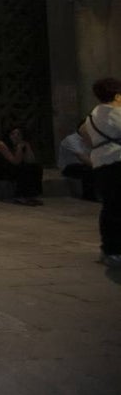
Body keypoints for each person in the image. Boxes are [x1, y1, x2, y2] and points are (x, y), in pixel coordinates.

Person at [80, 77, 121, 268]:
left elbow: (84, 133)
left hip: (102, 163)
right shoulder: (115, 113)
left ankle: (109, 249)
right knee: (114, 208)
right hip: (116, 161)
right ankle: (112, 249)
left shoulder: (93, 115)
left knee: (111, 207)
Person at [0, 125, 44, 206]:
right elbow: (15, 161)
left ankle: (32, 195)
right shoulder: (1, 144)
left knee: (36, 168)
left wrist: (27, 146)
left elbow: (31, 160)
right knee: (22, 168)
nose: (15, 136)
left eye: (18, 134)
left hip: (10, 166)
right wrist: (19, 148)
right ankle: (20, 196)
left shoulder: (20, 144)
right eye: (13, 134)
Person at [57, 130, 96, 201]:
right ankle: (89, 197)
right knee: (89, 171)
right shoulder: (71, 139)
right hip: (68, 167)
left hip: (83, 165)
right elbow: (81, 157)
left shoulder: (90, 138)